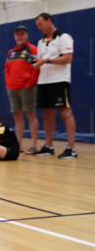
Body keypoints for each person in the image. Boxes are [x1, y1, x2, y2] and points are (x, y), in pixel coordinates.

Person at [33, 13, 77, 159]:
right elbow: (43, 61)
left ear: (49, 21)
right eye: (37, 26)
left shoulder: (63, 37)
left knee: (65, 113)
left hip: (59, 80)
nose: (39, 28)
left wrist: (46, 61)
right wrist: (37, 63)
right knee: (47, 115)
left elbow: (68, 58)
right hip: (43, 81)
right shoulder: (40, 42)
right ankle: (48, 146)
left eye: (41, 24)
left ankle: (72, 148)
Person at [4, 25, 39, 155]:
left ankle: (34, 145)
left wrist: (30, 84)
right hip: (12, 89)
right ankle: (18, 145)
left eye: (22, 34)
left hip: (27, 88)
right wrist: (8, 85)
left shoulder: (33, 49)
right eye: (17, 34)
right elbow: (6, 70)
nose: (19, 36)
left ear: (26, 35)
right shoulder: (11, 52)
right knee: (17, 116)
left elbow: (36, 67)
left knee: (31, 115)